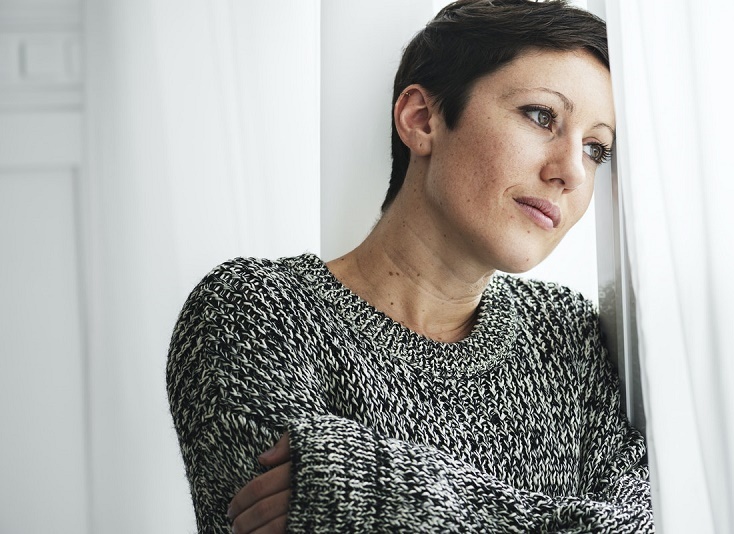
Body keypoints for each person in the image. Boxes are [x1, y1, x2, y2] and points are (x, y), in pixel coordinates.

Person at [167, 0, 654, 532]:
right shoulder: (254, 313)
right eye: (541, 117)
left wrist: (391, 495)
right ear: (422, 120)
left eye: (595, 148)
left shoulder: (567, 334)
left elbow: (637, 525)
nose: (572, 173)